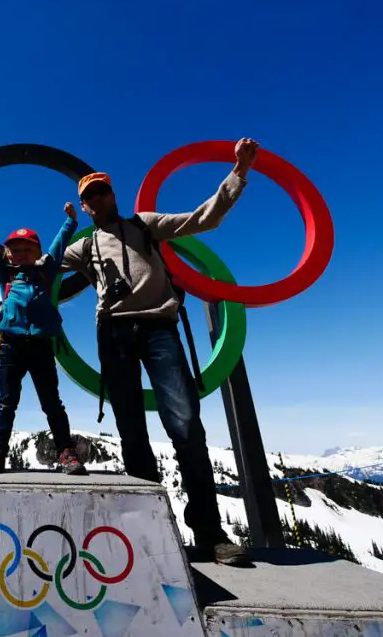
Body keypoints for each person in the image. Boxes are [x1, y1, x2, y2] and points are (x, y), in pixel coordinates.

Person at [61, 138, 260, 566]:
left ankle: (210, 534)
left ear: (114, 195)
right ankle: (149, 532)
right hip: (113, 335)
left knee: (186, 425)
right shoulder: (84, 246)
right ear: (85, 206)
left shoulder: (145, 225)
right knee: (131, 432)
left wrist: (238, 174)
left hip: (159, 329)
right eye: (88, 196)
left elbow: (202, 219)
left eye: (102, 191)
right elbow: (38, 267)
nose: (96, 200)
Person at [0, 202, 87, 476]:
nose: (21, 254)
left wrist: (69, 222)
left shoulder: (47, 270)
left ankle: (66, 452)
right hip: (11, 345)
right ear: (8, 254)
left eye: (27, 249)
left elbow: (58, 245)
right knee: (6, 401)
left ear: (37, 251)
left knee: (51, 401)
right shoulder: (4, 273)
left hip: (41, 345)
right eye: (16, 250)